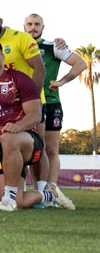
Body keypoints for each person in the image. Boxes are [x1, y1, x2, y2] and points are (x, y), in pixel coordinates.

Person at [0, 41, 72, 211]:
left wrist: (19, 126)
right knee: (21, 202)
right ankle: (49, 195)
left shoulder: (19, 79)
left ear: (2, 57)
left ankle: (8, 199)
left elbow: (36, 115)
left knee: (8, 136)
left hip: (27, 141)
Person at [24, 13, 86, 199]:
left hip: (50, 103)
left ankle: (50, 191)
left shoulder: (53, 46)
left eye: (37, 24)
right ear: (24, 26)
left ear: (43, 27)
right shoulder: (19, 46)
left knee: (50, 149)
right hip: (26, 105)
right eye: (29, 24)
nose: (33, 27)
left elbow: (80, 63)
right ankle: (31, 190)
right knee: (29, 149)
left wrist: (62, 81)